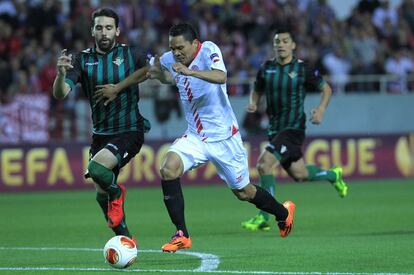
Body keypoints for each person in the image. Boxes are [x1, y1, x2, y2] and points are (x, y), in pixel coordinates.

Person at [96, 23, 296, 253]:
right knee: (168, 168)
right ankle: (182, 234)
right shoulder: (171, 58)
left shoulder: (209, 50)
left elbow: (221, 77)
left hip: (224, 138)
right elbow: (150, 71)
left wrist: (190, 72)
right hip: (195, 136)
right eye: (173, 47)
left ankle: (283, 212)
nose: (177, 52)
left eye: (181, 47)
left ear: (194, 43)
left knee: (244, 192)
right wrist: (123, 86)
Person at [52, 8, 151, 244]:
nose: (104, 32)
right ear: (92, 30)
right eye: (99, 27)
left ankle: (118, 192)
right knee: (100, 193)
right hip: (100, 135)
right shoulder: (81, 59)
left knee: (97, 170)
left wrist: (118, 87)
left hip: (129, 129)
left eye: (108, 27)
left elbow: (149, 70)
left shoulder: (131, 53)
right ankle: (126, 239)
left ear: (117, 30)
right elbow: (61, 93)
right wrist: (60, 74)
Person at [241, 29, 348, 232]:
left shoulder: (302, 69)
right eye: (277, 41)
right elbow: (257, 88)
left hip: (293, 128)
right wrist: (253, 103)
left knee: (264, 165)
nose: (281, 44)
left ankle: (264, 216)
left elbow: (326, 89)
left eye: (285, 41)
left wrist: (321, 110)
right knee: (300, 174)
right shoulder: (266, 68)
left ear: (293, 45)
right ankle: (333, 175)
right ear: (274, 46)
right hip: (275, 129)